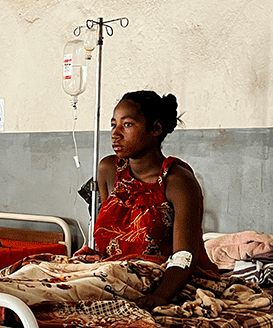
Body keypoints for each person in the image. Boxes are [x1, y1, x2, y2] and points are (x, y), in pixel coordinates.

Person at [91, 90, 218, 311]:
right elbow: (107, 238)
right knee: (35, 272)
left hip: (163, 278)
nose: (116, 133)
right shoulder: (108, 170)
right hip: (110, 272)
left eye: (127, 125)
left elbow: (184, 255)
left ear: (156, 129)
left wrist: (161, 296)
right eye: (114, 125)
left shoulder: (178, 181)